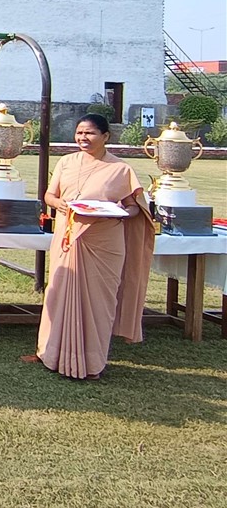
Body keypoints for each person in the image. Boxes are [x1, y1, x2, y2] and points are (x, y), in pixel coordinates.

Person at [29, 114, 155, 380]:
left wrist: (116, 212)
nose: (83, 138)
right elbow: (50, 195)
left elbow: (134, 208)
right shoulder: (66, 162)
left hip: (104, 242)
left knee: (100, 301)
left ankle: (92, 363)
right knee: (58, 293)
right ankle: (50, 353)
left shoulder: (121, 169)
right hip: (68, 237)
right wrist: (59, 204)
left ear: (106, 136)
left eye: (90, 133)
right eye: (79, 133)